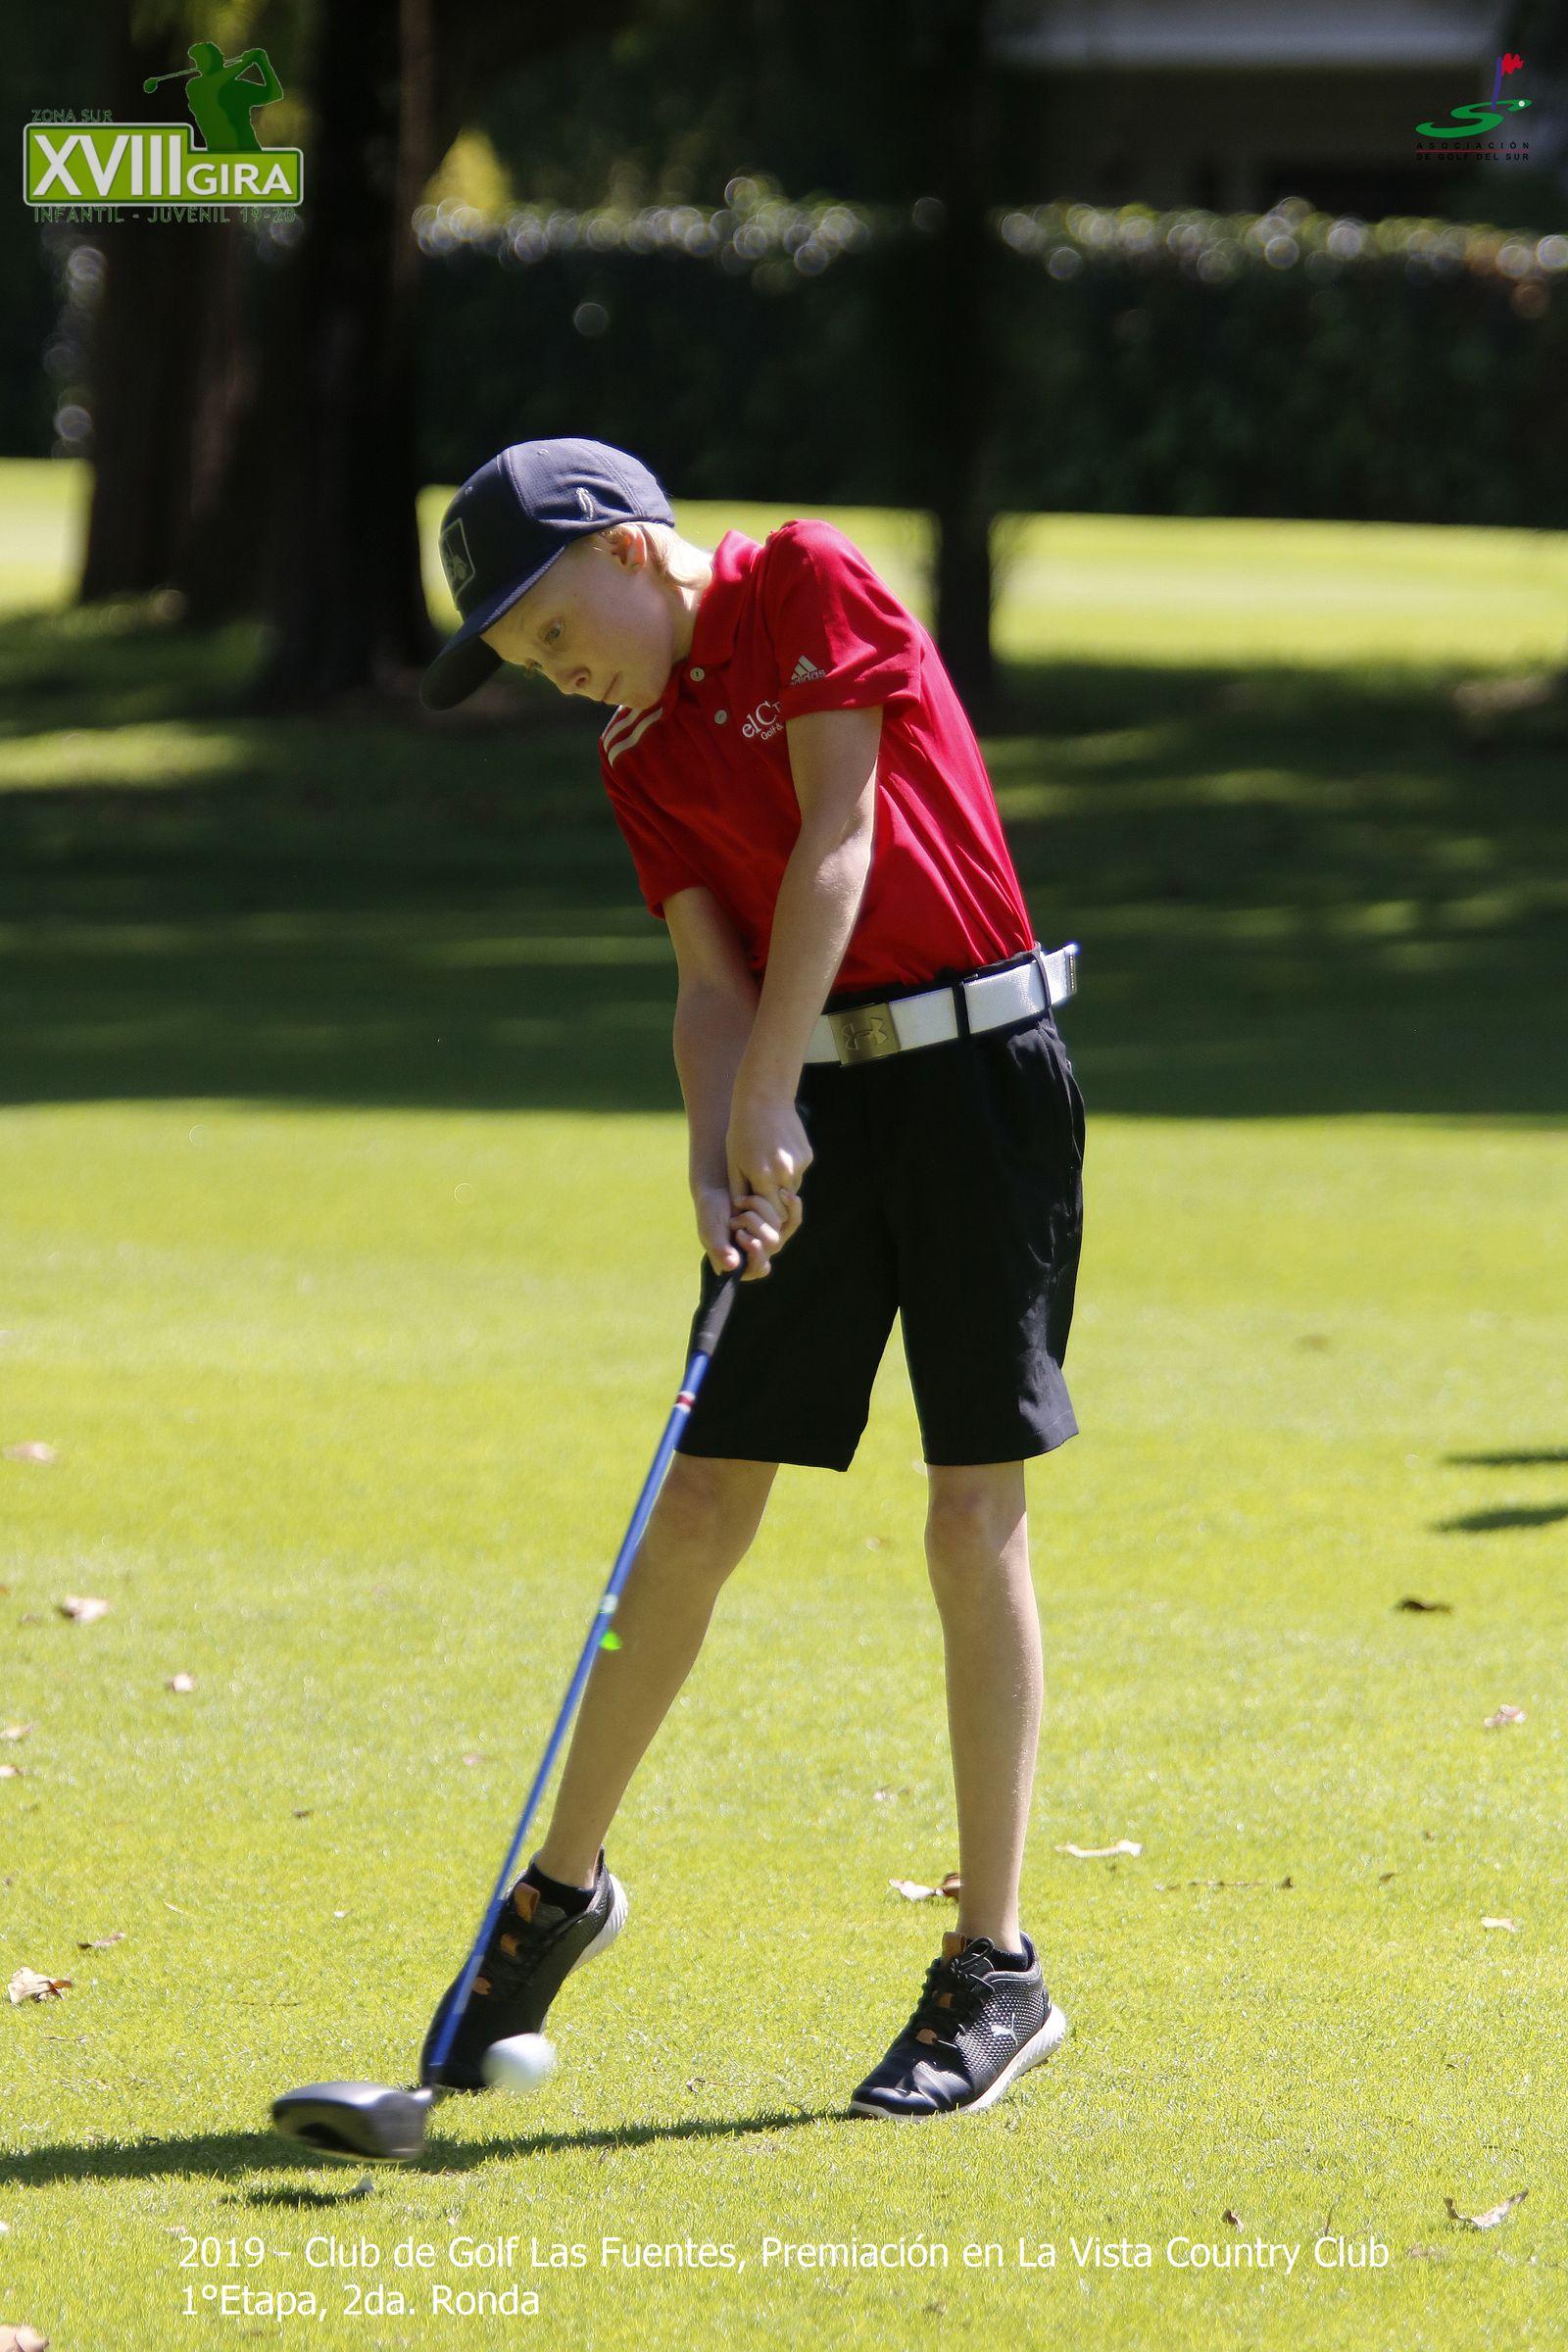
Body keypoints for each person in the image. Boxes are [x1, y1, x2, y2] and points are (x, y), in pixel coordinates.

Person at [417, 438, 1086, 2119]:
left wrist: (773, 1088)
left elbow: (840, 836)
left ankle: (994, 1969)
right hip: (810, 1097)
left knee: (970, 1511)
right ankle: (558, 1893)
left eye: (555, 631)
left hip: (977, 1079)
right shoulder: (639, 752)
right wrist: (717, 1151)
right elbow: (710, 983)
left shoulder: (804, 580)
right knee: (704, 1495)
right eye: (527, 663)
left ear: (629, 548)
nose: (559, 675)